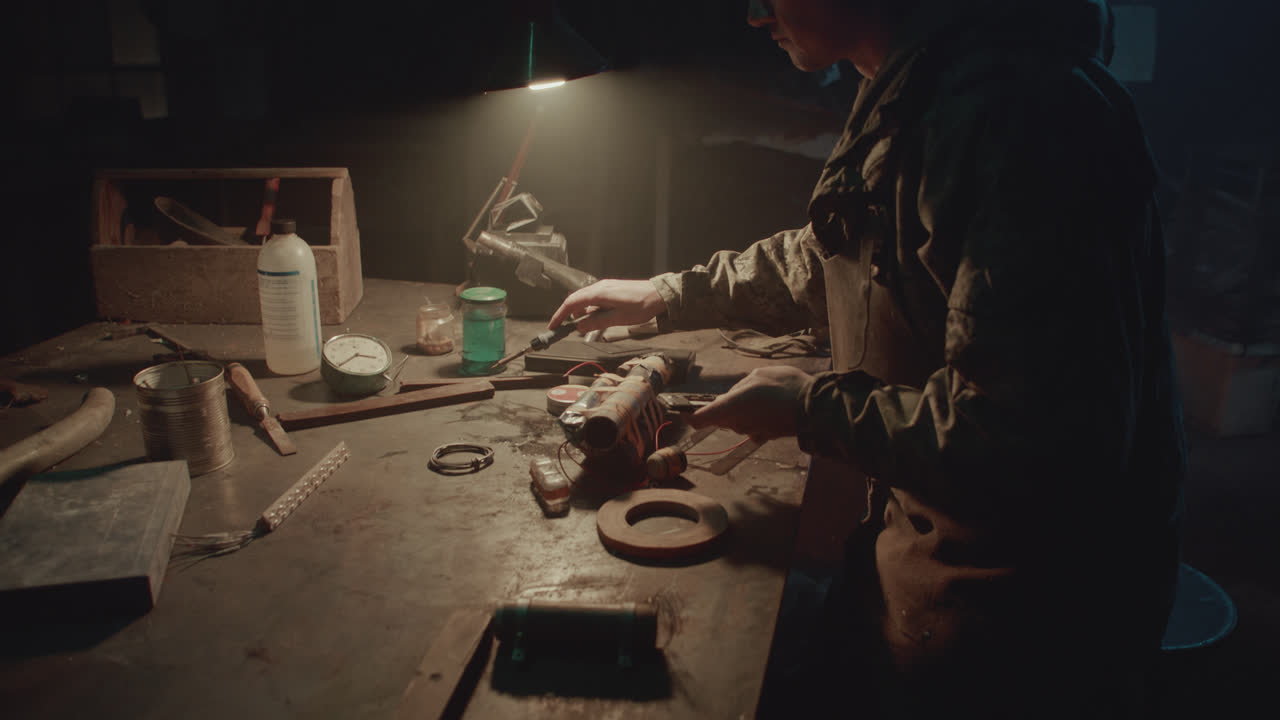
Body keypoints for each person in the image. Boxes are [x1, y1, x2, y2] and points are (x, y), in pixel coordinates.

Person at [550, 0, 1186, 717]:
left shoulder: (1020, 123)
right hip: (923, 561)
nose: (754, 14)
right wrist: (671, 294)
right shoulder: (924, 81)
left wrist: (809, 409)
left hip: (1020, 632)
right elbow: (852, 248)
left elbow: (1027, 442)